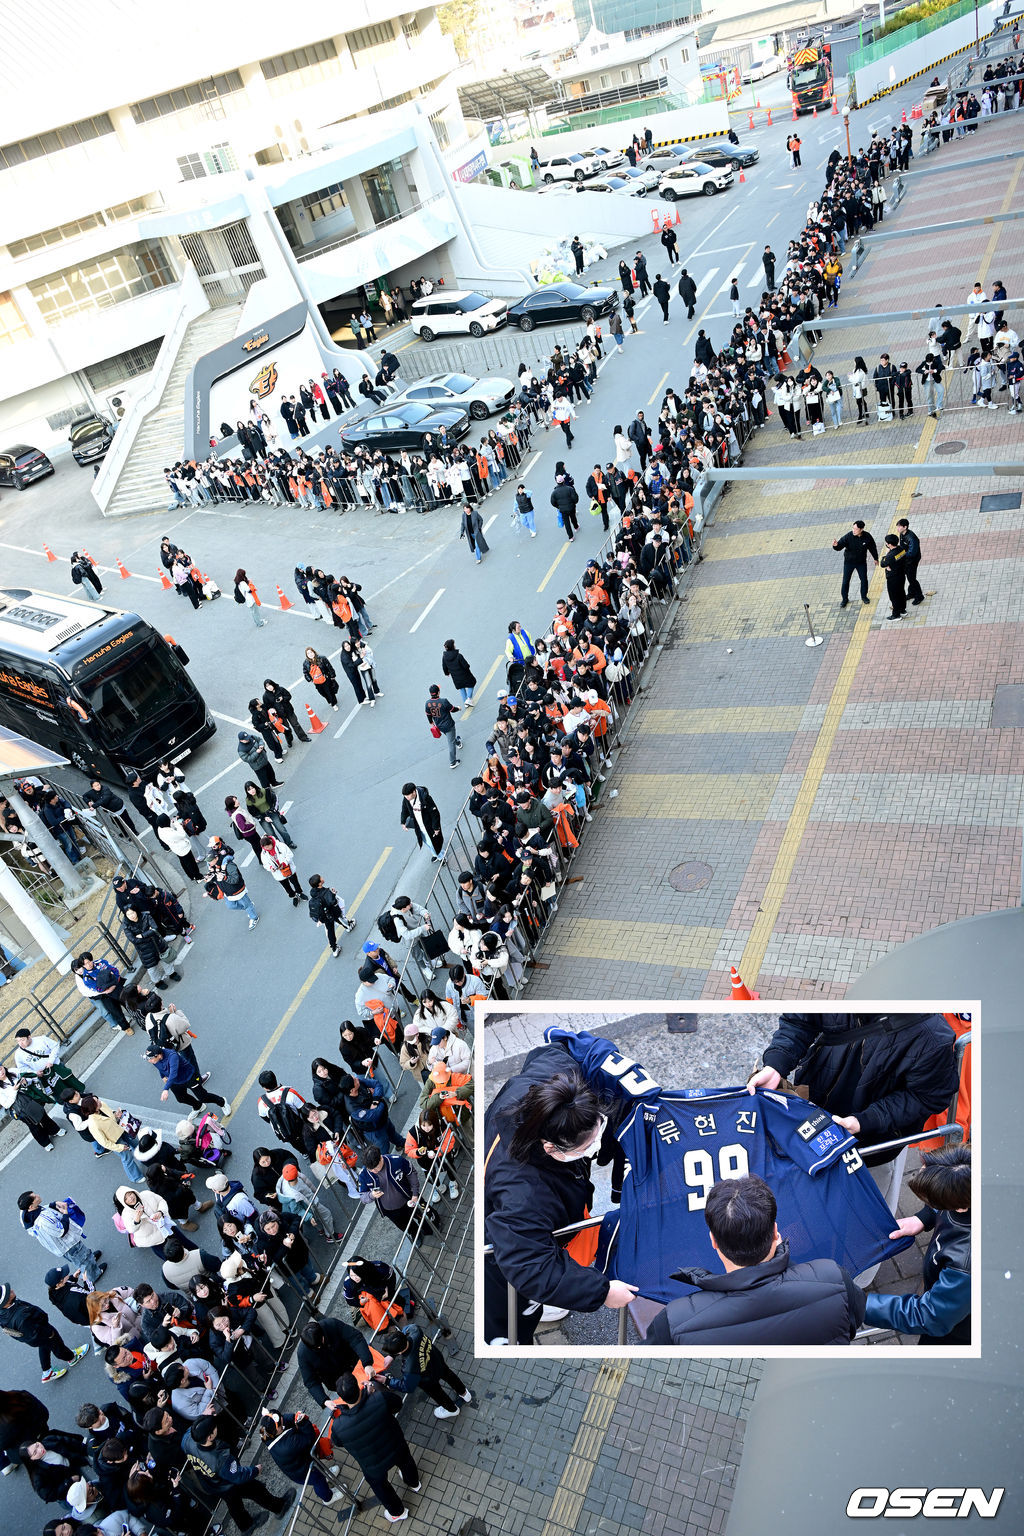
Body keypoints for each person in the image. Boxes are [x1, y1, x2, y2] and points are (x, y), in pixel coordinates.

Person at [748, 1011, 958, 1282]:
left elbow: (927, 1096)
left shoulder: (932, 1035)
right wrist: (776, 1064)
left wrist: (864, 1122)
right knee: (808, 1197)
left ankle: (855, 1283)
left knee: (863, 1218)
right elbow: (800, 1021)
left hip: (872, 1146)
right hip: (814, 1115)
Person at [483, 1038, 638, 1345]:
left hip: (562, 1196)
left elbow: (558, 1048)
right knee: (531, 1289)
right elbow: (531, 1266)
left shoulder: (556, 1080)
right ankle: (544, 1304)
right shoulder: (523, 1195)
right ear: (550, 1147)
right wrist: (602, 1292)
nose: (595, 1147)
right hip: (524, 1234)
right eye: (587, 1146)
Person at [645, 1174, 866, 1345]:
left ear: (713, 1241)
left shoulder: (673, 1323)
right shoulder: (835, 1279)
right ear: (775, 1233)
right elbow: (851, 1322)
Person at [863, 1142, 970, 1343]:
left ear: (961, 1207)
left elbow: (929, 1317)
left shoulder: (966, 1265)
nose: (931, 1205)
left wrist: (859, 1305)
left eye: (932, 1202)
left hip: (956, 1333)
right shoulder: (970, 1185)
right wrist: (924, 1217)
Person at [329, 1373, 421, 1523]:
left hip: (373, 1464)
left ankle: (398, 1512)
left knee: (381, 1487)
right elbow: (398, 1404)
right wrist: (374, 1393)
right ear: (359, 1388)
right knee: (406, 1461)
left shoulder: (339, 1426)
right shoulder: (379, 1398)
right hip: (395, 1446)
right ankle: (413, 1483)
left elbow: (337, 1442)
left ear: (342, 1399)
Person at [181, 1414, 294, 1532]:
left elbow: (192, 1430)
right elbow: (238, 1475)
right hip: (228, 1482)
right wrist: (255, 1471)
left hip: (212, 1483)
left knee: (233, 1503)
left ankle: (245, 1526)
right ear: (209, 1437)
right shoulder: (220, 1459)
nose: (216, 1428)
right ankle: (280, 1507)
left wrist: (205, 1416)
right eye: (214, 1428)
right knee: (256, 1489)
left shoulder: (187, 1439)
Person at [0, 1282, 89, 1382]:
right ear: (5, 1301)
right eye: (9, 1293)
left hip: (35, 1334)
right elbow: (35, 1332)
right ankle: (72, 1357)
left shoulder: (4, 1311)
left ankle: (47, 1372)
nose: (11, 1290)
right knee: (56, 1345)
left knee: (44, 1345)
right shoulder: (21, 1318)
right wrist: (48, 1334)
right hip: (41, 1331)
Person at [381, 1324, 472, 1419]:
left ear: (399, 1352)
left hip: (428, 1380)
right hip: (437, 1361)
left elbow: (407, 1387)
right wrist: (392, 1355)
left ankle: (452, 1410)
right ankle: (465, 1394)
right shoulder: (415, 1330)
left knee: (438, 1394)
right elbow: (405, 1331)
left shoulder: (408, 1367)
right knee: (449, 1376)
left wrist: (387, 1381)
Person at [259, 1410, 346, 1506]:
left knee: (319, 1473)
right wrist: (303, 1422)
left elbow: (284, 1419)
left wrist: (296, 1417)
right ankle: (328, 1498)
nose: (283, 1418)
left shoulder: (267, 1433)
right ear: (278, 1429)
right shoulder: (288, 1445)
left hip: (299, 1464)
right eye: (281, 1421)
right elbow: (309, 1437)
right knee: (318, 1480)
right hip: (303, 1471)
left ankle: (326, 1476)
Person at [17, 1192, 106, 1284]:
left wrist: (53, 1204)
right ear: (31, 1206)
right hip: (68, 1244)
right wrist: (65, 1214)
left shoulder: (25, 1213)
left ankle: (89, 1263)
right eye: (35, 1197)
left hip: (60, 1247)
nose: (38, 1195)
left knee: (79, 1259)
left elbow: (43, 1209)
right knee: (83, 1258)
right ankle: (94, 1274)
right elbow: (61, 1231)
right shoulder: (42, 1221)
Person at [297, 1316, 373, 1407]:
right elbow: (311, 1381)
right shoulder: (303, 1354)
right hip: (340, 1383)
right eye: (316, 1348)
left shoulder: (332, 1324)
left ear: (322, 1335)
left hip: (357, 1365)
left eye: (320, 1344)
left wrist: (367, 1363)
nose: (319, 1348)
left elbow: (355, 1338)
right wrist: (324, 1400)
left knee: (373, 1383)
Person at [145, 1047, 230, 1114]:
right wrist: (162, 1076)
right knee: (181, 1098)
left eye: (151, 1058)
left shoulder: (172, 1056)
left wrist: (166, 1089)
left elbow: (173, 1073)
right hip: (175, 1081)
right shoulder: (154, 1061)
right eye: (148, 1058)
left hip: (189, 1077)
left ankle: (222, 1102)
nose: (149, 1060)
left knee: (203, 1097)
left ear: (159, 1055)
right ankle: (198, 1106)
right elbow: (160, 1068)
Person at [204, 848, 260, 929]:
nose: (208, 863)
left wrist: (224, 877)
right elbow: (216, 878)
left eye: (210, 860)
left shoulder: (229, 865)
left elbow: (235, 879)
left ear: (216, 858)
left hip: (237, 890)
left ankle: (254, 917)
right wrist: (211, 878)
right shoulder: (213, 866)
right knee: (231, 906)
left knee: (246, 905)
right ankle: (249, 907)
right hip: (227, 892)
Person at [308, 873, 356, 956]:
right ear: (320, 883)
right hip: (332, 912)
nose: (323, 878)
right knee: (340, 919)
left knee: (330, 930)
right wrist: (333, 893)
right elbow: (333, 902)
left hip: (324, 916)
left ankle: (334, 948)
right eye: (321, 878)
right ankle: (349, 926)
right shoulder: (326, 892)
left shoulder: (313, 892)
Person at [832, 520, 878, 607]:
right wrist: (835, 546)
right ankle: (845, 599)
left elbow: (872, 547)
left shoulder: (867, 536)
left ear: (861, 529)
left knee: (864, 580)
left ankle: (864, 596)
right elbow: (839, 546)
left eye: (856, 529)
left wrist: (875, 558)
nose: (853, 530)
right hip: (849, 562)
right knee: (845, 581)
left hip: (861, 563)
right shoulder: (848, 536)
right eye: (853, 528)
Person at [400, 782, 444, 860]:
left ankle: (441, 856)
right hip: (418, 826)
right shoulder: (407, 799)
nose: (406, 797)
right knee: (427, 842)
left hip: (428, 826)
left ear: (414, 792)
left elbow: (435, 813)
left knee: (433, 843)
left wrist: (436, 827)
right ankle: (435, 854)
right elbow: (404, 810)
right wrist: (403, 822)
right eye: (404, 796)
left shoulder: (425, 798)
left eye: (407, 795)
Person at [260, 834, 306, 906]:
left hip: (288, 868)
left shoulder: (281, 846)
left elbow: (290, 855)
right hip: (278, 873)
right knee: (286, 887)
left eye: (268, 846)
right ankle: (293, 896)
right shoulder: (264, 853)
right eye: (265, 847)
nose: (267, 849)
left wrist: (284, 863)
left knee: (295, 882)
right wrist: (271, 868)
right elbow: (265, 864)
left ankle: (299, 893)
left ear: (271, 842)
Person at [425, 685, 462, 769]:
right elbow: (452, 709)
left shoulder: (427, 703)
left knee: (450, 738)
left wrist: (431, 723)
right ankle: (453, 762)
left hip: (439, 725)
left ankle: (458, 742)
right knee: (451, 743)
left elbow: (428, 715)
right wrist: (458, 708)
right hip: (448, 725)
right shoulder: (443, 701)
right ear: (438, 692)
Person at [895, 517, 924, 605]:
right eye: (897, 526)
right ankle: (911, 593)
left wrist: (900, 556)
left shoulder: (912, 538)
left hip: (912, 560)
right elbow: (902, 547)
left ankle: (919, 596)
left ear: (905, 527)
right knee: (909, 577)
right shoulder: (902, 534)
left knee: (912, 578)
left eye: (899, 527)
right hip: (906, 559)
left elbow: (912, 553)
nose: (897, 528)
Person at [302, 646, 340, 712]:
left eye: (311, 652)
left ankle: (333, 704)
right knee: (322, 693)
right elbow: (305, 673)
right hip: (316, 682)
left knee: (329, 692)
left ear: (314, 652)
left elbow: (329, 667)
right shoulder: (306, 663)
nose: (310, 654)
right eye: (308, 653)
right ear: (307, 655)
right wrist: (310, 680)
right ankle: (330, 700)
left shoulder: (322, 658)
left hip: (325, 679)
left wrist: (332, 676)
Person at [880, 533, 907, 621]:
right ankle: (903, 610)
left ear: (890, 544)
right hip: (901, 575)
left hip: (893, 578)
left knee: (894, 596)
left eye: (887, 543)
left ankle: (896, 615)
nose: (886, 544)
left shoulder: (890, 556)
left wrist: (885, 555)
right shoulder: (901, 549)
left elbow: (882, 564)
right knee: (901, 593)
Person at [550, 471, 579, 543]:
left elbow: (552, 502)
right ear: (563, 481)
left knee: (566, 523)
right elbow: (575, 498)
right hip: (571, 507)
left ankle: (570, 537)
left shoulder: (554, 492)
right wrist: (573, 503)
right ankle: (576, 527)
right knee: (573, 518)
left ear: (557, 482)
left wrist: (558, 507)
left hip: (562, 509)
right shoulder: (569, 489)